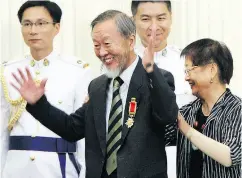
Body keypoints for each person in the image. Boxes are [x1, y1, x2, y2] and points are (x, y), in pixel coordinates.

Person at [11, 10, 178, 178]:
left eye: (107, 43)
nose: (102, 52)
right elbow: (72, 128)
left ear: (130, 41)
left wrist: (151, 71)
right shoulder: (97, 86)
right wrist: (38, 103)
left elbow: (167, 116)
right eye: (96, 45)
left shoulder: (157, 78)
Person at [0, 1, 92, 178]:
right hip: (15, 169)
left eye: (41, 23)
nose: (33, 30)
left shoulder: (77, 70)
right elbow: (2, 131)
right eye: (27, 24)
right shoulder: (8, 71)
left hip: (59, 167)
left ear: (56, 28)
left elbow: (83, 134)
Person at [131, 1, 195, 177]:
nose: (154, 26)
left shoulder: (189, 62)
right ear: (133, 20)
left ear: (171, 18)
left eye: (161, 18)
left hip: (181, 158)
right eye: (145, 19)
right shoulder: (123, 63)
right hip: (133, 162)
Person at [175, 38, 241, 178]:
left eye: (189, 69)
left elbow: (230, 155)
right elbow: (159, 134)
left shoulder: (237, 109)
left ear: (212, 70)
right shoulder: (186, 112)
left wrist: (187, 129)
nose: (186, 78)